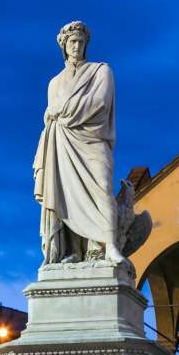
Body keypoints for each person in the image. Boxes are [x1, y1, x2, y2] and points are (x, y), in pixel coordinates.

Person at [33, 20, 124, 264]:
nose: (76, 46)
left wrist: (61, 110)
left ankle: (109, 245)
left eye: (81, 42)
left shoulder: (101, 71)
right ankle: (72, 251)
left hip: (93, 140)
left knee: (103, 189)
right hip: (63, 144)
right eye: (72, 42)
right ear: (64, 46)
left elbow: (99, 104)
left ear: (86, 45)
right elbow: (49, 117)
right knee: (65, 194)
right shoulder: (54, 83)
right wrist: (57, 114)